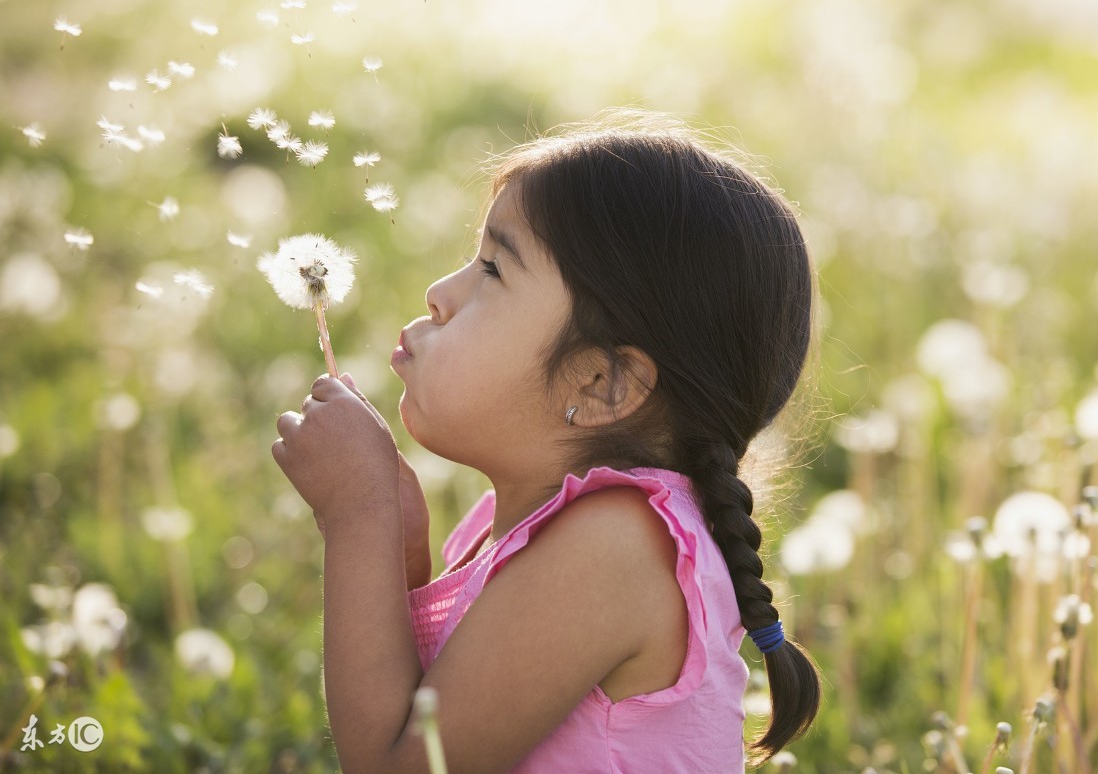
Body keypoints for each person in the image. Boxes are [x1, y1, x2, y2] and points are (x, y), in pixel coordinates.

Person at [271, 108, 823, 772]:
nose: (439, 293)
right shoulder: (557, 529)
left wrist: (356, 517)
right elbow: (441, 709)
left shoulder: (616, 547)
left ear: (601, 382)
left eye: (494, 270)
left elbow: (401, 763)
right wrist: (401, 550)